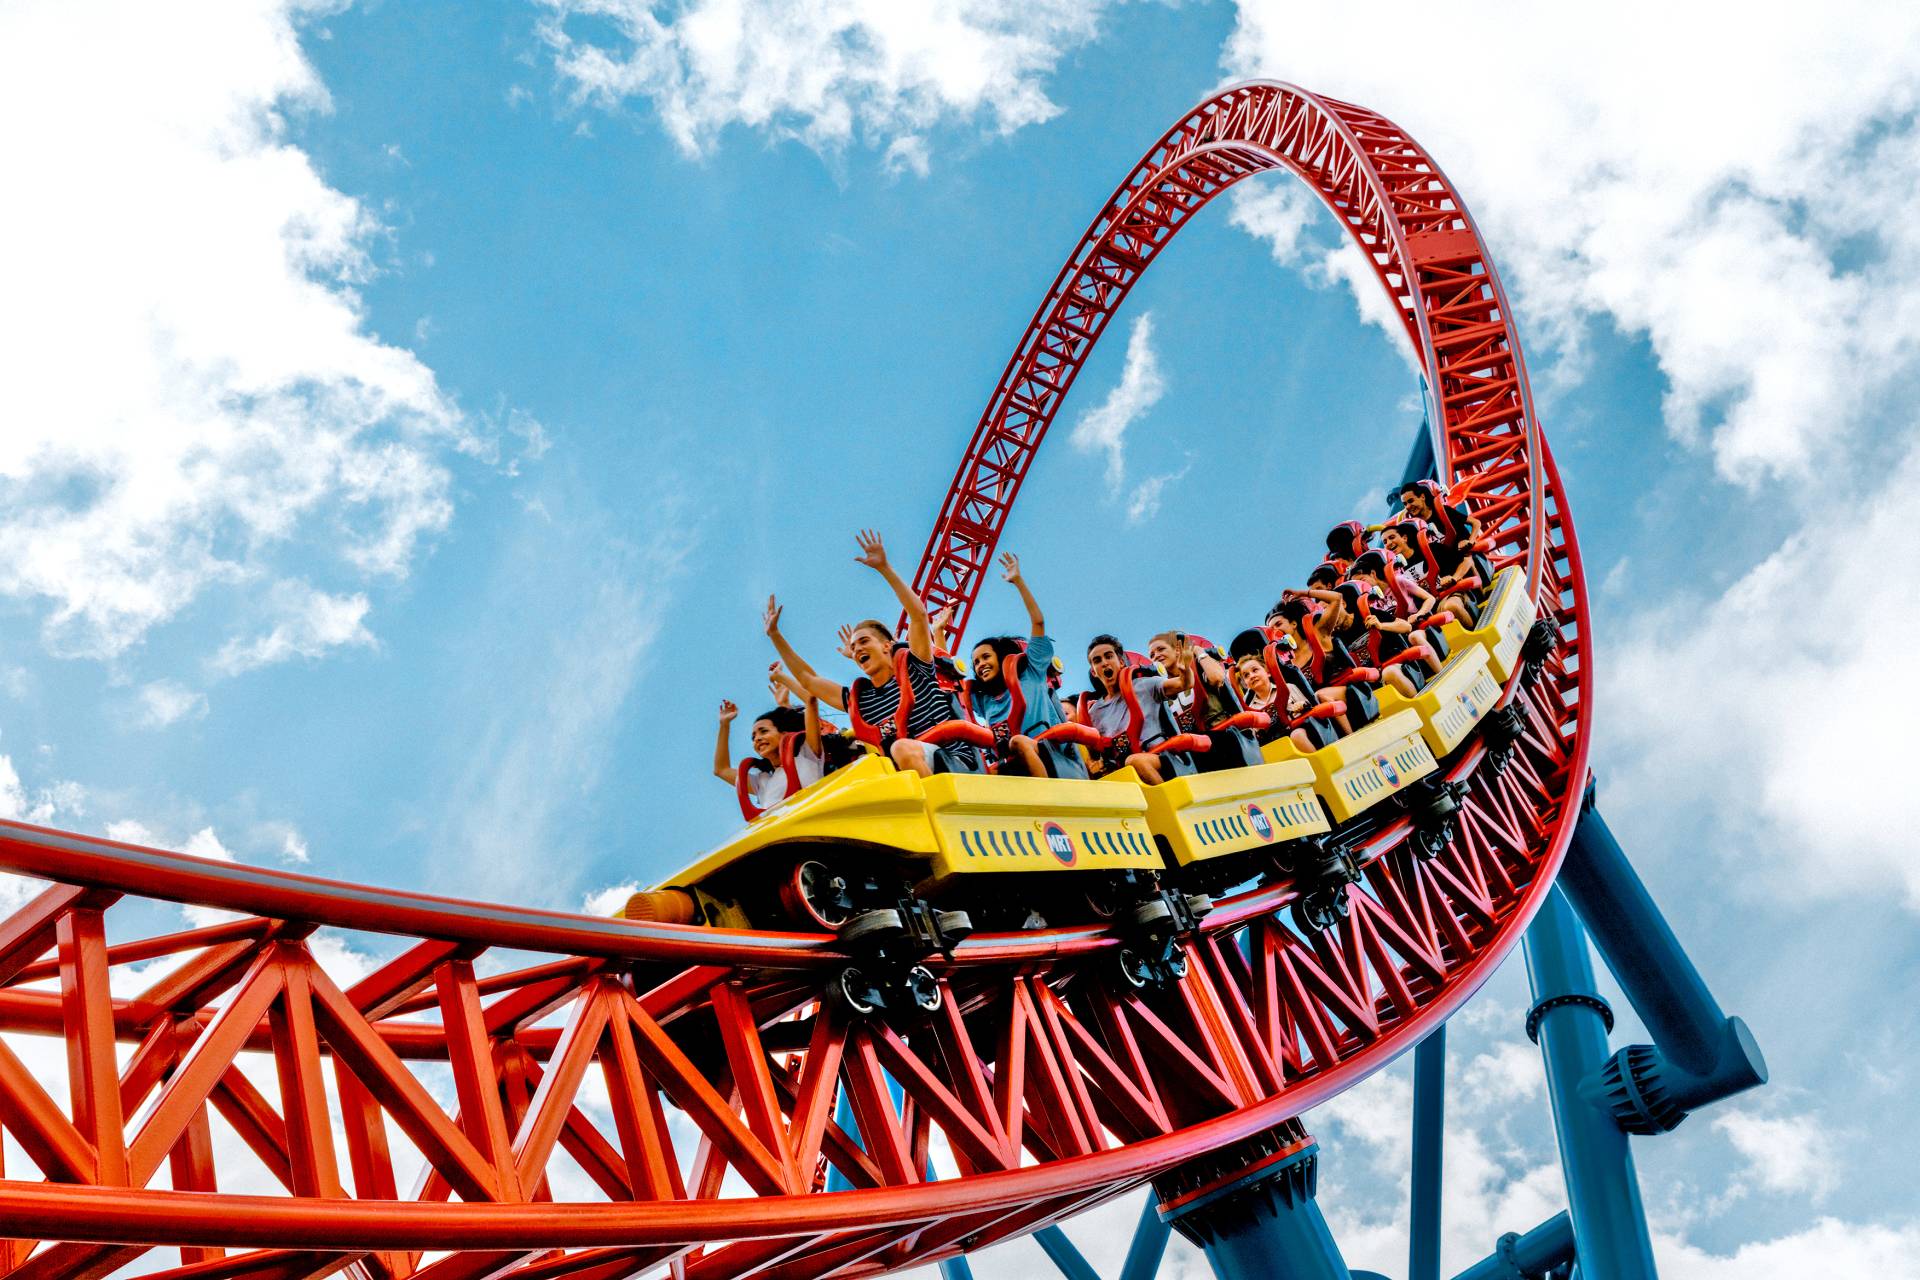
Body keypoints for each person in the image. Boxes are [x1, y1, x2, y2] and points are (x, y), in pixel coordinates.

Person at [764, 530, 983, 777]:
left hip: (956, 763)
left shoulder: (915, 667)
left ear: (887, 645)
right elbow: (808, 680)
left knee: (901, 749)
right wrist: (775, 636)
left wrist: (884, 568)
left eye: (864, 641)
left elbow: (919, 616)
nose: (857, 649)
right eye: (854, 647)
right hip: (906, 770)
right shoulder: (861, 699)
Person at [964, 552, 1076, 777]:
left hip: (1052, 754)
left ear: (1001, 656)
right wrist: (938, 633)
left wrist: (1018, 582)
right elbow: (953, 682)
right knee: (979, 772)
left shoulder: (1031, 672)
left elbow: (1038, 622)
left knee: (1019, 743)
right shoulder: (985, 700)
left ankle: (1051, 804)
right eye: (976, 662)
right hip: (1014, 762)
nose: (980, 664)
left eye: (986, 657)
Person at [1078, 635, 1192, 785]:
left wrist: (1185, 669)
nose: (1104, 663)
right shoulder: (1094, 712)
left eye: (1108, 656)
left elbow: (1184, 684)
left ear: (1120, 662)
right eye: (1097, 661)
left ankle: (1170, 801)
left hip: (1162, 758)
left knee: (1135, 762)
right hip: (1125, 772)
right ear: (1093, 671)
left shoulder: (1145, 685)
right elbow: (1094, 756)